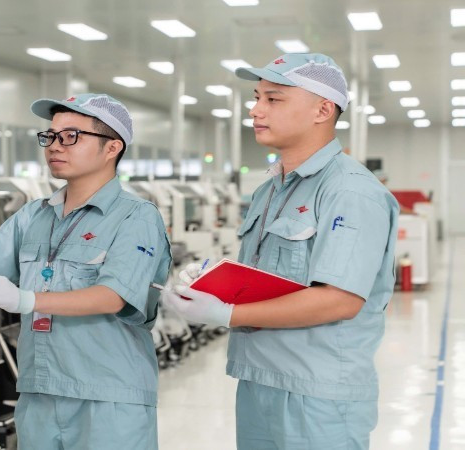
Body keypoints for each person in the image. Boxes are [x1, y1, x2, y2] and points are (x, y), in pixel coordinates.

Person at [164, 53, 399, 449]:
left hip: (316, 394)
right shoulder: (270, 190)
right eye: (256, 98)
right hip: (259, 378)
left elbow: (339, 301)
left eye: (273, 99)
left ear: (322, 110)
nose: (256, 110)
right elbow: (270, 281)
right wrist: (212, 286)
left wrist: (225, 313)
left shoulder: (350, 192)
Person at [0, 93, 171, 449]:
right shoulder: (34, 215)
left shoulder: (137, 216)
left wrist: (26, 298)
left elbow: (113, 296)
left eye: (71, 136)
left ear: (112, 147)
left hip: (108, 396)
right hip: (40, 391)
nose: (55, 146)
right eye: (51, 136)